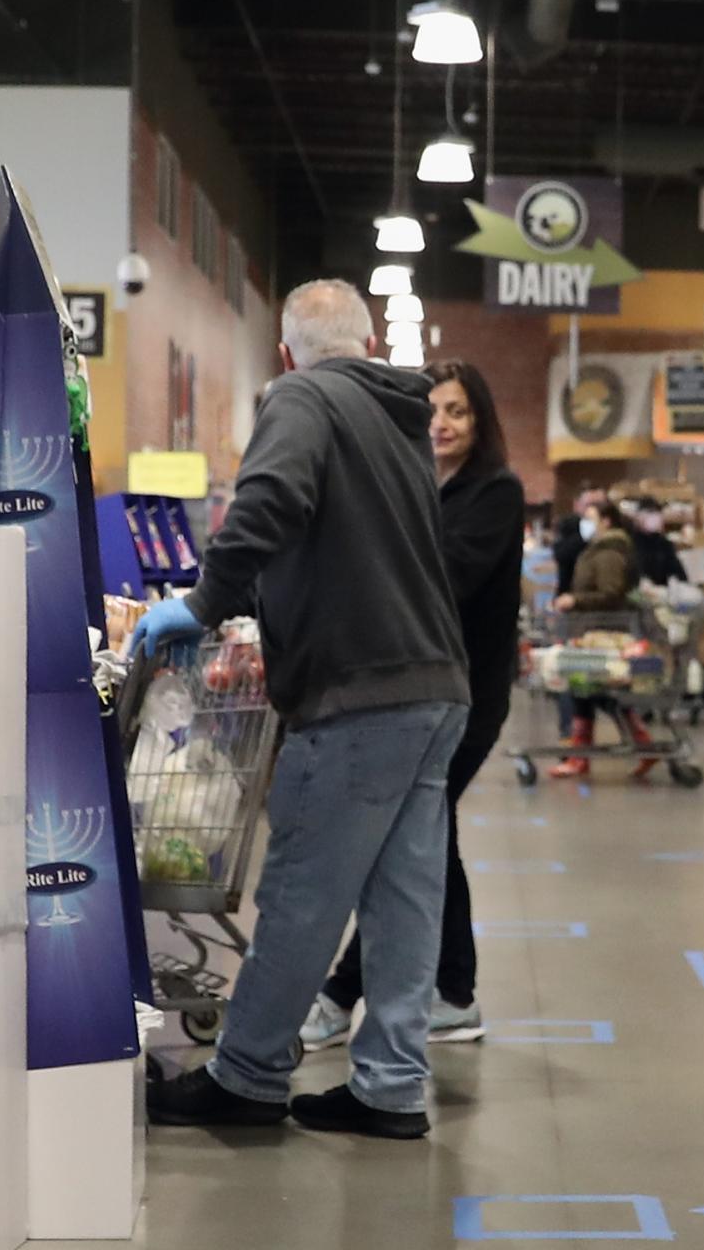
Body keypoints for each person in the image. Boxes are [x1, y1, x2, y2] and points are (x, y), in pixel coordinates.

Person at [136, 279, 469, 1141]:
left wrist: (203, 604)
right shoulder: (401, 420)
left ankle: (247, 1077)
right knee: (404, 899)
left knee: (301, 892)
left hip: (358, 693)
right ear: (366, 344)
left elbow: (271, 501)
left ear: (286, 353)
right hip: (435, 686)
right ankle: (391, 1085)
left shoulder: (301, 396)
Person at [300, 360, 524, 1053]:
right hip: (419, 690)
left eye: (458, 411)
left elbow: (444, 581)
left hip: (467, 697)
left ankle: (340, 994)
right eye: (434, 411)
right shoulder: (421, 485)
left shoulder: (496, 492)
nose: (443, 424)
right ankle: (454, 992)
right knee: (426, 835)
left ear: (480, 422)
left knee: (404, 839)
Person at [548, 503, 644, 780]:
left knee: (587, 689)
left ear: (606, 521)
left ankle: (581, 757)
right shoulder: (602, 548)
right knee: (594, 693)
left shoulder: (610, 553)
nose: (585, 524)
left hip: (604, 634)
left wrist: (575, 599)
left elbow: (611, 593)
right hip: (595, 632)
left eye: (590, 518)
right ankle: (639, 745)